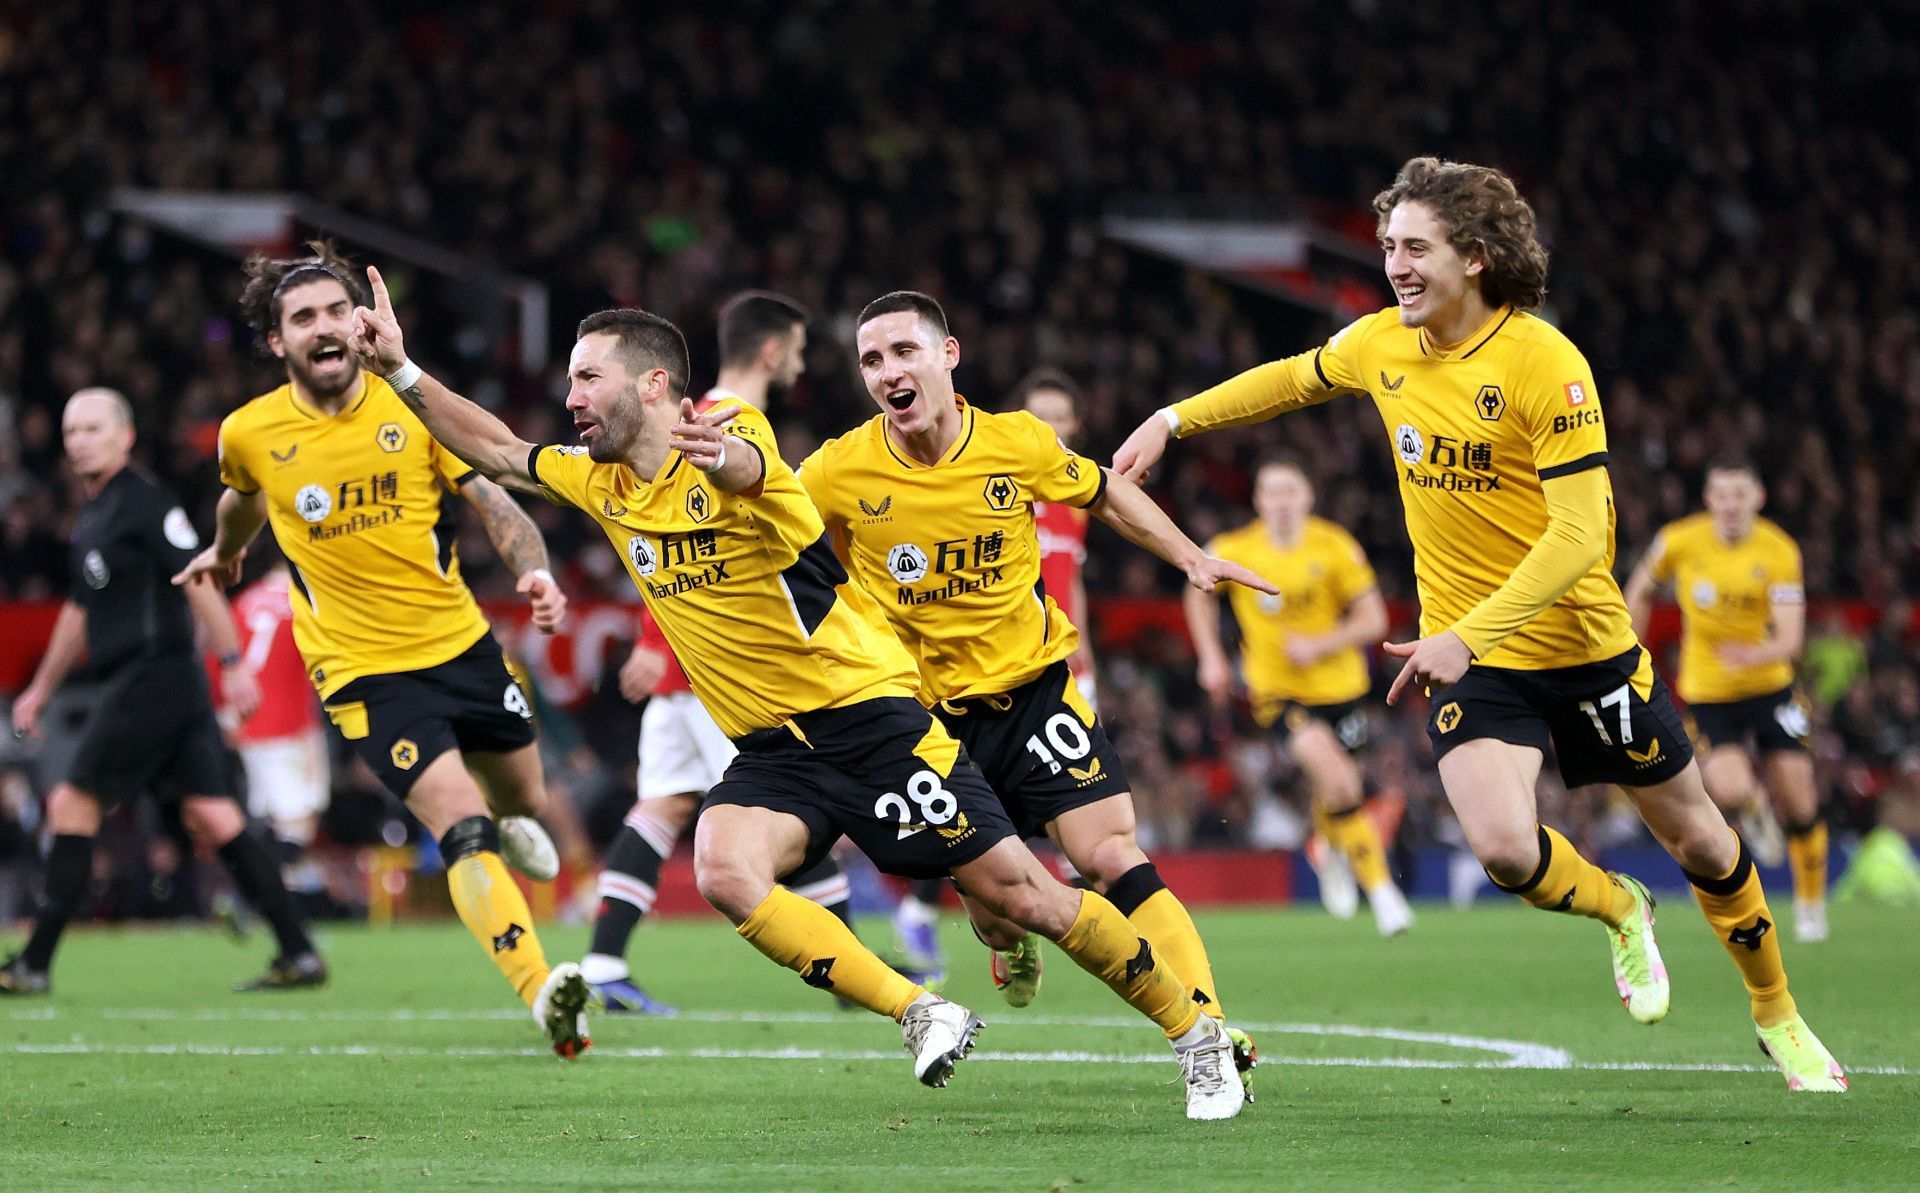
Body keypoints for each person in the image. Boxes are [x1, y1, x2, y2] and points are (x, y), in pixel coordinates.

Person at [347, 268, 1247, 1119]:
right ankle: (920, 1012)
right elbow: (500, 449)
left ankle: (1195, 1031)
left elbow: (747, 469)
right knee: (722, 867)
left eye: (588, 378)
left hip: (871, 720)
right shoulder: (604, 484)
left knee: (1027, 897)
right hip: (776, 749)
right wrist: (399, 369)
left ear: (652, 383)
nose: (570, 396)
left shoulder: (752, 464)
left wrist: (724, 457)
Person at [1113, 156, 1846, 1092]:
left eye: (1415, 247)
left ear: (1477, 254)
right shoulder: (1384, 343)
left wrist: (1472, 629)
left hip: (1581, 645)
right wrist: (1175, 420)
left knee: (1703, 839)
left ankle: (1777, 1009)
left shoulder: (1546, 362)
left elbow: (1582, 537)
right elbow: (1292, 379)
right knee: (1503, 847)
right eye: (1387, 247)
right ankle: (1622, 906)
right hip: (1475, 656)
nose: (1395, 266)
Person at [800, 291, 1272, 1080]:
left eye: (904, 352)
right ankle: (1007, 945)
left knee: (1113, 851)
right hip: (932, 727)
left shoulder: (1017, 443)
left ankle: (1209, 1026)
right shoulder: (837, 469)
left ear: (948, 356)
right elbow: (779, 539)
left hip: (1035, 695)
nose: (888, 372)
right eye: (872, 361)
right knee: (999, 912)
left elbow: (1105, 490)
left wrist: (1189, 555)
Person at [172, 246, 591, 1058]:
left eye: (336, 310)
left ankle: (516, 824)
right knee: (460, 824)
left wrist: (534, 571)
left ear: (360, 321)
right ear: (276, 341)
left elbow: (494, 498)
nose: (325, 327)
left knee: (525, 799)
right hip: (364, 672)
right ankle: (544, 991)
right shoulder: (250, 431)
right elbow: (243, 499)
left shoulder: (412, 406)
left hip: (463, 645)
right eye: (304, 318)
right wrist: (223, 552)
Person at [584, 291, 859, 1013]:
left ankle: (604, 963)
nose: (802, 361)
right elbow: (673, 540)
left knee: (662, 806)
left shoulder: (707, 417)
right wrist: (654, 639)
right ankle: (851, 970)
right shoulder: (714, 422)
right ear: (773, 349)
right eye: (797, 347)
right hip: (718, 671)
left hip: (690, 667)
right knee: (800, 801)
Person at [2, 388, 323, 995]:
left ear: (125, 437)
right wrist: (40, 690)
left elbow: (197, 575)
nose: (79, 441)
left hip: (153, 677)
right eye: (72, 431)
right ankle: (299, 950)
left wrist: (231, 660)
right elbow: (78, 610)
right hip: (154, 684)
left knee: (71, 804)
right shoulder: (93, 517)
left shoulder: (144, 501)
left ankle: (34, 963)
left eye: (93, 428)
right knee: (215, 814)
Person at [890, 367, 1098, 983]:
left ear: (1077, 426)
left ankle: (1028, 921)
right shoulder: (985, 486)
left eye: (1062, 418)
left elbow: (1070, 588)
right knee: (979, 807)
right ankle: (946, 915)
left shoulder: (1072, 507)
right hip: (971, 678)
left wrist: (1087, 662)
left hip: (1052, 666)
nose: (1052, 428)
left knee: (1063, 809)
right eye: (1042, 417)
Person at [1185, 452, 1414, 935]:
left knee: (1337, 787)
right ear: (1258, 500)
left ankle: (1323, 844)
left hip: (1343, 690)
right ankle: (1382, 892)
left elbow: (1373, 620)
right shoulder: (1236, 547)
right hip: (1278, 694)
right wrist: (1212, 657)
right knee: (1343, 782)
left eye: (1291, 490)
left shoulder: (1334, 546)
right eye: (1272, 491)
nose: (1282, 501)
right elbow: (1195, 590)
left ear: (1308, 496)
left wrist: (1321, 643)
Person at [1624, 456, 1827, 940]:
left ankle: (1811, 905)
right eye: (1722, 495)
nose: (1731, 505)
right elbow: (1640, 588)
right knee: (1730, 790)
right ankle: (1755, 805)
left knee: (1800, 802)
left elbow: (1792, 640)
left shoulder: (1779, 550)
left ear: (1757, 498)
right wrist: (1629, 651)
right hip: (1709, 695)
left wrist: (1755, 652)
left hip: (1772, 687)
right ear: (1708, 500)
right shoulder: (1678, 541)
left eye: (1741, 495)